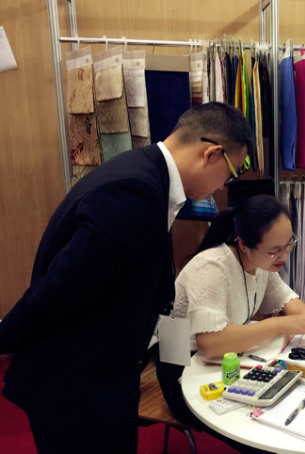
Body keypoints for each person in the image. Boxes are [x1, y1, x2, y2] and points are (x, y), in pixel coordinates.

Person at [0, 102, 254, 453]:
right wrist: (6, 338)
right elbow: (63, 287)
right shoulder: (136, 190)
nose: (223, 186)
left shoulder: (146, 176)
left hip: (104, 380)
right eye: (231, 173)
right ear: (211, 154)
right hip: (76, 391)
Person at [158, 194, 305, 432]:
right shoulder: (213, 267)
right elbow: (210, 342)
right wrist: (281, 324)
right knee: (267, 425)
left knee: (291, 400)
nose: (284, 256)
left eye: (288, 244)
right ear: (243, 244)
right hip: (185, 372)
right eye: (274, 250)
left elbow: (288, 301)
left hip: (225, 362)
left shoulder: (260, 262)